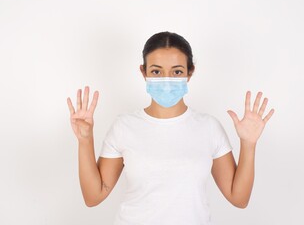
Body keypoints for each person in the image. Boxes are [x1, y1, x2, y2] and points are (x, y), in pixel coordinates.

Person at [66, 31, 274, 225]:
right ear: (143, 72)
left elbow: (239, 198)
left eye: (177, 72)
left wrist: (248, 144)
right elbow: (93, 197)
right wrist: (85, 140)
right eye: (156, 71)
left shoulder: (209, 128)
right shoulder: (124, 127)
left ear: (190, 73)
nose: (166, 80)